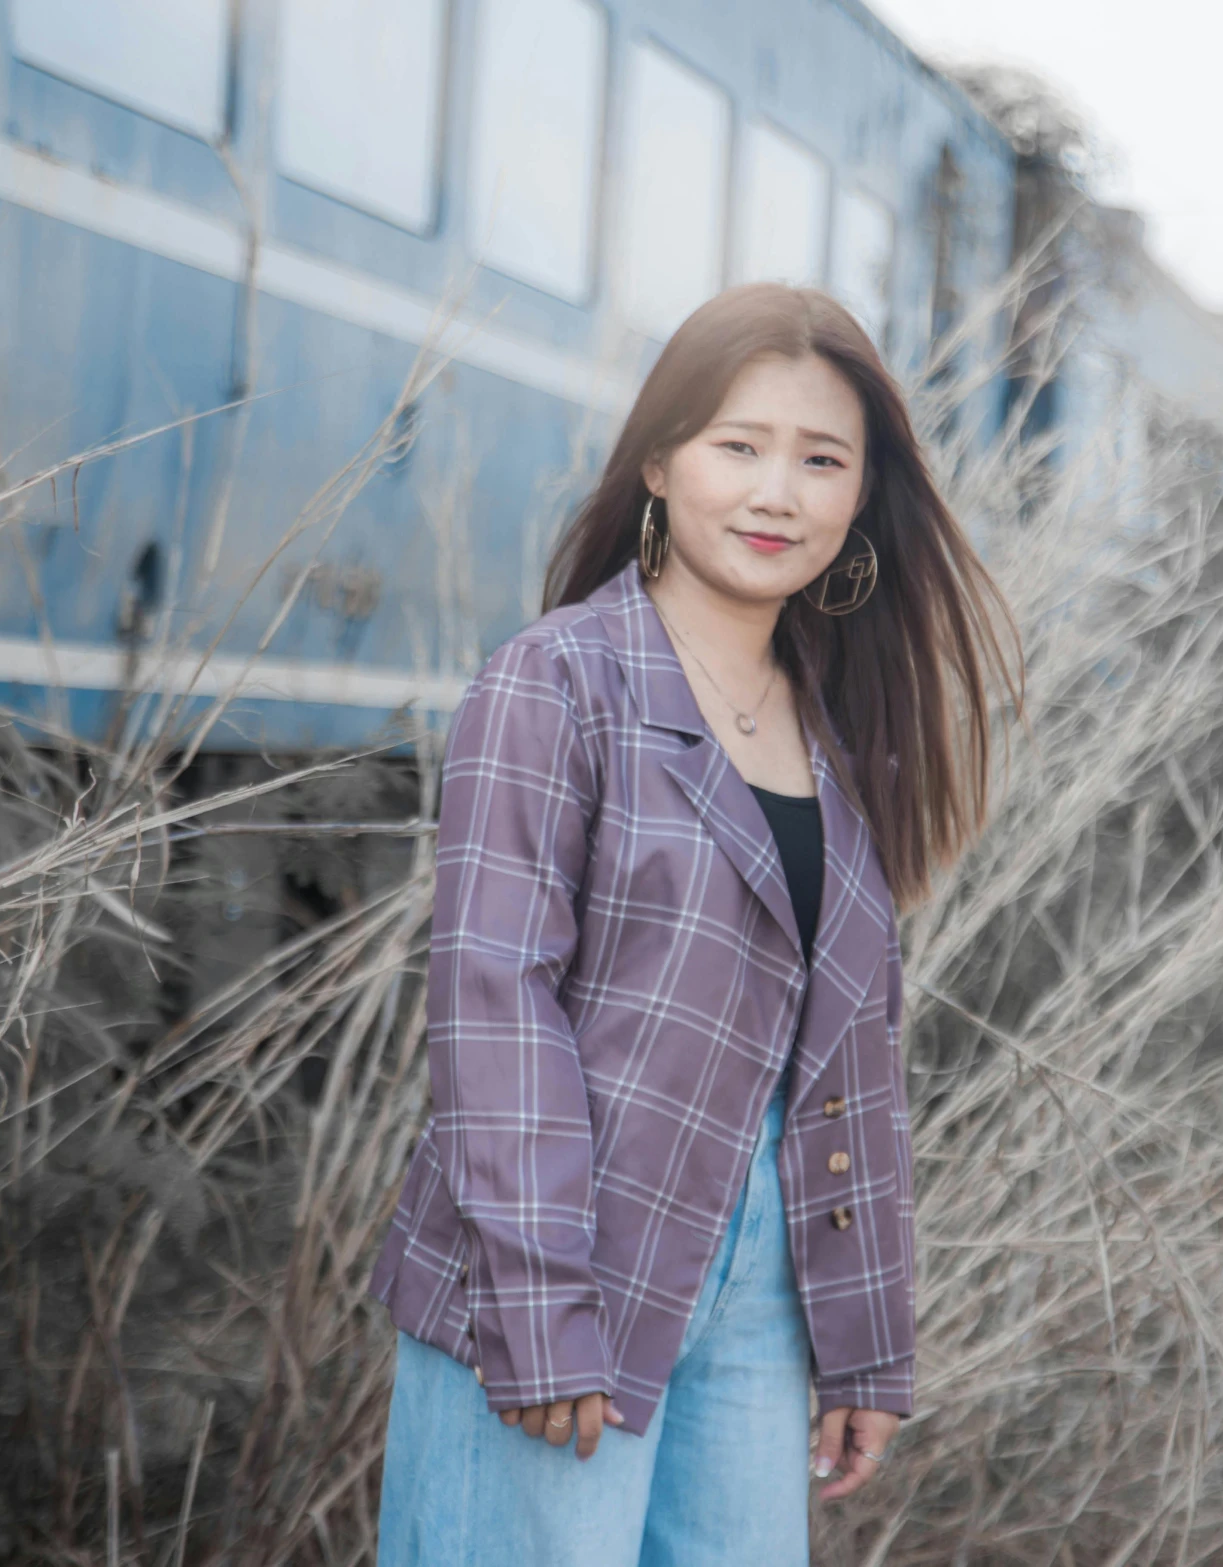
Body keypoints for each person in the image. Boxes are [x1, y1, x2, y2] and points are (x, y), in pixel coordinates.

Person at [369, 283, 1018, 1565]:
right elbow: (493, 1005)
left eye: (820, 458)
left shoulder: (840, 728)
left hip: (763, 1293)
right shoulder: (557, 681)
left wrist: (865, 1342)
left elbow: (851, 1060)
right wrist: (542, 1308)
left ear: (859, 495)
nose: (777, 492)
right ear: (662, 461)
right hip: (563, 1252)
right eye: (740, 445)